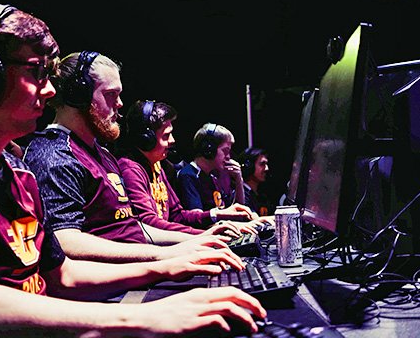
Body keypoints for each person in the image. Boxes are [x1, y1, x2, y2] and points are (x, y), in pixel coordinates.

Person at [0, 0, 265, 337]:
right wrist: (141, 316)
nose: (51, 89)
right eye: (36, 72)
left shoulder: (18, 174)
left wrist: (168, 266)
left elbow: (62, 275)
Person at [23, 51, 246, 260]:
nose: (120, 104)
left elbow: (134, 228)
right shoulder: (53, 154)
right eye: (111, 95)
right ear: (78, 95)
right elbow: (64, 240)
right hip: (113, 293)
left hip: (137, 271)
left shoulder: (104, 156)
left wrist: (202, 238)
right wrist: (164, 257)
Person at [116, 99, 259, 235]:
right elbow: (149, 224)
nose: (172, 140)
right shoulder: (131, 169)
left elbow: (177, 216)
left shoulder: (158, 166)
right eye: (166, 136)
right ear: (146, 139)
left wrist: (216, 214)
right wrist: (204, 234)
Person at [177, 122, 247, 212]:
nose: (229, 156)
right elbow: (198, 219)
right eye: (225, 151)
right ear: (209, 150)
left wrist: (239, 180)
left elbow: (237, 211)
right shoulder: (188, 176)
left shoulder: (212, 176)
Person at [237, 146, 273, 216]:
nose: (267, 168)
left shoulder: (262, 196)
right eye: (262, 164)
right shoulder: (241, 195)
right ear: (249, 167)